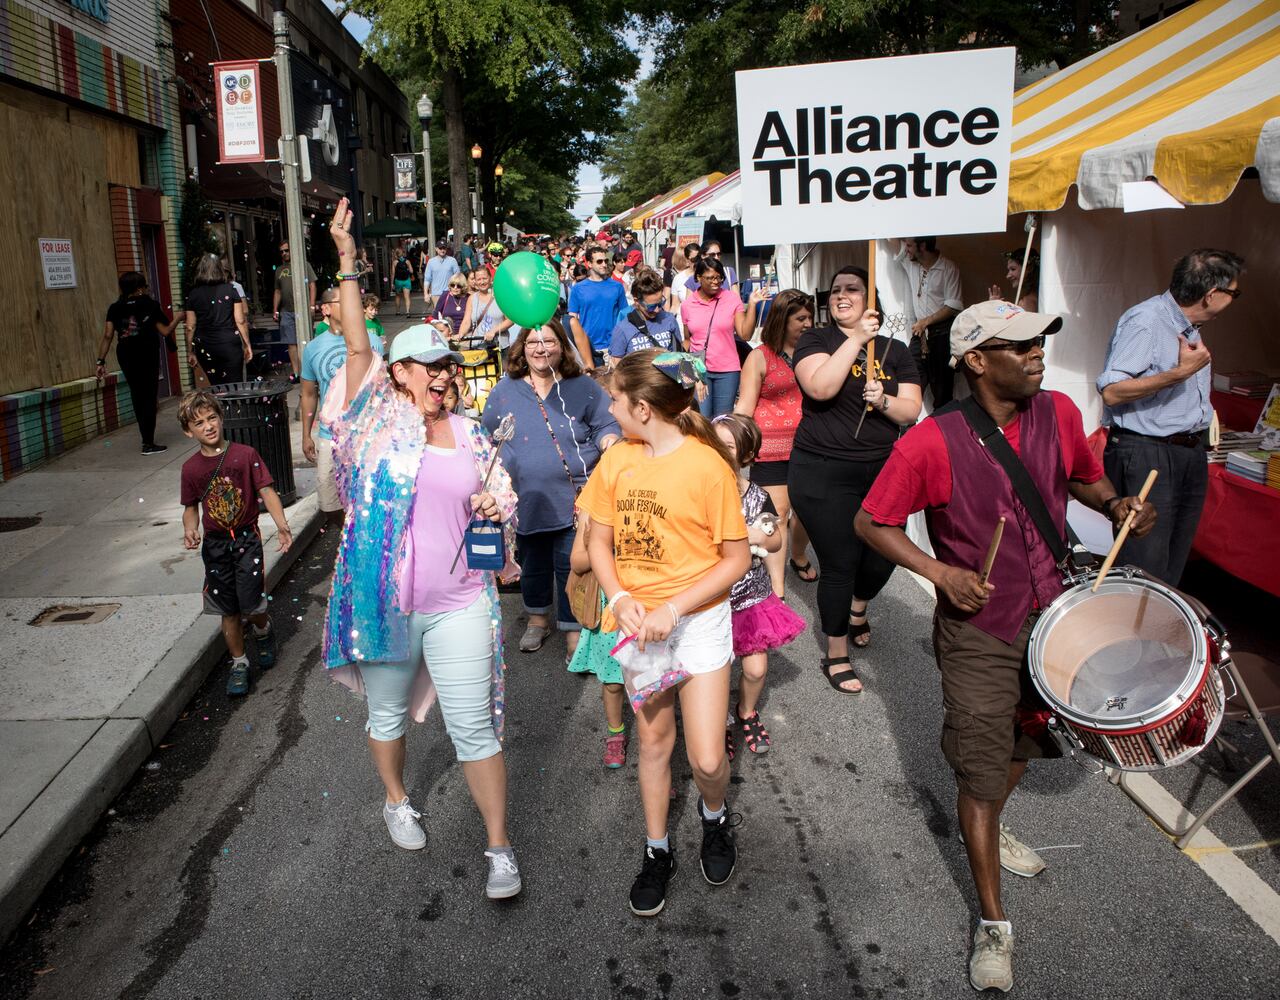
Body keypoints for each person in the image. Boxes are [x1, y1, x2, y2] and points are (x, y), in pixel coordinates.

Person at [855, 299, 1156, 993]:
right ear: (976, 361)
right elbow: (872, 522)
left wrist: (1115, 505)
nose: (1037, 354)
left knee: (1025, 741)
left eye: (1038, 343)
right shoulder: (931, 439)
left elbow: (1081, 475)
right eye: (1019, 346)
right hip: (979, 630)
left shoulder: (1058, 414)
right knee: (982, 771)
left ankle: (985, 811)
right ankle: (994, 921)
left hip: (1055, 616)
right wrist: (938, 572)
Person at [319, 197, 523, 900]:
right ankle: (396, 797)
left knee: (477, 727)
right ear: (398, 374)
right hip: (385, 607)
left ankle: (499, 847)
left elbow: (503, 500)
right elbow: (354, 347)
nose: (440, 373)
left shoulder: (470, 434)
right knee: (384, 716)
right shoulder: (372, 424)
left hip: (462, 601)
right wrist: (347, 262)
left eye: (446, 364)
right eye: (425, 364)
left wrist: (501, 505)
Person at [578, 349, 751, 918]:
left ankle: (714, 816)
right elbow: (599, 542)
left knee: (705, 759)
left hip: (697, 621)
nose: (610, 408)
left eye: (615, 400)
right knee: (653, 743)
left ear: (644, 408)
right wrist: (622, 597)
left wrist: (674, 608)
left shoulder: (707, 466)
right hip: (638, 628)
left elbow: (735, 559)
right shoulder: (617, 461)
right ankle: (657, 851)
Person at [788, 266, 923, 694]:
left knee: (883, 558)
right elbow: (822, 387)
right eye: (835, 290)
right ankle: (836, 651)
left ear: (871, 299)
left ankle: (859, 608)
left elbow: (911, 411)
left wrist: (883, 398)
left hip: (883, 470)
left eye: (853, 289)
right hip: (822, 470)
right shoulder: (816, 340)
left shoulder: (897, 351)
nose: (841, 295)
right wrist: (857, 340)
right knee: (841, 562)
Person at [1097, 248, 1243, 586]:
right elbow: (1113, 391)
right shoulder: (1147, 320)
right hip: (1148, 452)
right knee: (1144, 563)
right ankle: (1130, 635)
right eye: (1234, 293)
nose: (1234, 300)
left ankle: (1157, 633)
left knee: (1173, 562)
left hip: (1186, 451)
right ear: (1212, 294)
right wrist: (1179, 374)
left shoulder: (1188, 325)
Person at [483, 322, 620, 657]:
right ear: (521, 348)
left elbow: (607, 423)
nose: (541, 348)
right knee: (532, 563)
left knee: (571, 563)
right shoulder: (505, 390)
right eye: (533, 342)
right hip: (524, 497)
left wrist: (610, 442)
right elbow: (487, 438)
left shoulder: (583, 386)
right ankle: (537, 619)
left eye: (549, 341)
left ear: (563, 345)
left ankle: (574, 627)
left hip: (576, 495)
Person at [178, 389, 291, 696]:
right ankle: (239, 663)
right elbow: (191, 508)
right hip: (215, 546)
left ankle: (263, 630)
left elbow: (267, 491)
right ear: (189, 432)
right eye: (199, 423)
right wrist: (190, 529)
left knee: (252, 602)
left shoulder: (245, 455)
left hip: (245, 540)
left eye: (212, 417)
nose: (208, 426)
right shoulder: (190, 469)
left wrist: (281, 525)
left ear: (221, 418)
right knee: (228, 609)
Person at [711, 414, 804, 758]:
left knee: (756, 668)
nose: (718, 449)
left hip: (750, 597)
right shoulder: (697, 490)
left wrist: (757, 533)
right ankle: (715, 723)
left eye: (729, 445)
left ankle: (746, 712)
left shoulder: (757, 496)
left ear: (746, 456)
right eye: (713, 441)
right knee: (715, 672)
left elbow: (775, 539)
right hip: (709, 599)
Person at [734, 289, 815, 595]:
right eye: (800, 318)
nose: (808, 323)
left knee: (806, 512)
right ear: (782, 319)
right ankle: (778, 589)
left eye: (810, 317)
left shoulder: (817, 352)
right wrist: (732, 439)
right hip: (770, 449)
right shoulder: (759, 355)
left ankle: (797, 553)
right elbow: (745, 405)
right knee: (777, 516)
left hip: (811, 444)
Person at [301, 287, 385, 523]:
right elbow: (308, 393)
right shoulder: (313, 349)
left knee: (370, 499)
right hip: (331, 436)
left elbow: (383, 386)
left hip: (368, 433)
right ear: (326, 309)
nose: (352, 305)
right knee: (331, 504)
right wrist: (307, 435)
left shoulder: (372, 341)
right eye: (344, 301)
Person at [566, 506, 628, 767]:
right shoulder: (592, 510)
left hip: (650, 603)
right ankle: (615, 733)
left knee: (651, 685)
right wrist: (603, 551)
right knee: (613, 681)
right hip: (607, 613)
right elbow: (577, 561)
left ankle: (655, 752)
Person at [96, 271, 178, 455]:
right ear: (140, 288)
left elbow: (108, 335)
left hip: (125, 354)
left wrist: (100, 361)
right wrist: (179, 318)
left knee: (137, 393)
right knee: (149, 395)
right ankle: (148, 442)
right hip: (147, 353)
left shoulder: (114, 308)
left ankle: (146, 438)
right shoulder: (150, 305)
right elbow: (165, 331)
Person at [680, 258, 765, 418]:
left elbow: (745, 334)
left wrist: (752, 305)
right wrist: (689, 378)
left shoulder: (731, 299)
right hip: (698, 369)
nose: (716, 282)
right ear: (698, 278)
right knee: (701, 420)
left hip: (727, 369)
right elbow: (687, 341)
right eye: (710, 278)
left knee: (722, 421)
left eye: (719, 278)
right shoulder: (687, 305)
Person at [892, 237, 964, 408]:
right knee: (910, 378)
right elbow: (892, 237)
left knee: (942, 389)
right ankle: (907, 427)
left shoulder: (948, 268)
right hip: (920, 334)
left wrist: (926, 321)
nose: (906, 249)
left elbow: (953, 305)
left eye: (909, 245)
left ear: (922, 246)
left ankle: (942, 430)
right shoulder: (911, 263)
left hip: (942, 334)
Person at [185, 253, 252, 386]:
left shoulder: (193, 294)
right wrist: (247, 344)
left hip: (205, 345)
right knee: (234, 386)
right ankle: (233, 407)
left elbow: (190, 326)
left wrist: (190, 351)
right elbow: (240, 320)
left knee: (216, 386)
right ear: (220, 269)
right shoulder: (231, 290)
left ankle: (221, 406)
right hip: (229, 345)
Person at [568, 245, 628, 370]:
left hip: (613, 347)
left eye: (606, 261)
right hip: (588, 348)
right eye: (599, 261)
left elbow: (624, 315)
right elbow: (572, 319)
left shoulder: (617, 286)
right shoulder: (578, 289)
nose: (604, 264)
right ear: (589, 264)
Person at [608, 270, 681, 363]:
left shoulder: (669, 319)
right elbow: (617, 367)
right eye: (651, 307)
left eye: (660, 303)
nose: (657, 310)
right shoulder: (622, 329)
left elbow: (679, 353)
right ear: (636, 301)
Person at [272, 240, 316, 382]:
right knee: (291, 343)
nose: (284, 253)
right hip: (286, 311)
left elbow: (312, 285)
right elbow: (277, 291)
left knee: (306, 341)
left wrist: (311, 305)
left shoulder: (304, 265)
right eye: (282, 251)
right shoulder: (279, 270)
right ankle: (296, 373)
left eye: (287, 250)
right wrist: (275, 309)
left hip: (302, 310)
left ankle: (308, 371)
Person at [456, 266, 514, 355]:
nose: (482, 282)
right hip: (478, 347)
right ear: (474, 281)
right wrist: (461, 334)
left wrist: (494, 331)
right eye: (478, 279)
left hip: (499, 347)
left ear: (490, 279)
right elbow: (467, 321)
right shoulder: (472, 299)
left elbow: (510, 320)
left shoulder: (500, 296)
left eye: (484, 278)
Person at [424, 240, 461, 313]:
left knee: (449, 314)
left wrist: (457, 291)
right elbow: (427, 279)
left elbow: (458, 277)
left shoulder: (452, 260)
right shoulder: (431, 262)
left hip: (450, 293)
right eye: (440, 248)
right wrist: (426, 294)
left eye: (444, 248)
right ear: (436, 249)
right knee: (438, 315)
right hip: (436, 294)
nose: (442, 250)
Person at [391, 245, 415, 317]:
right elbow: (411, 271)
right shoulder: (407, 261)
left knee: (398, 296)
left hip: (398, 281)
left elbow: (393, 274)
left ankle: (398, 311)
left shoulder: (394, 262)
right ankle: (407, 312)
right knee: (407, 297)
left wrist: (392, 283)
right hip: (406, 280)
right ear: (403, 253)